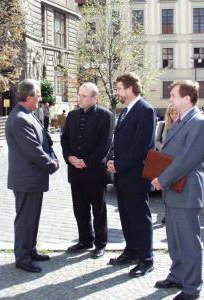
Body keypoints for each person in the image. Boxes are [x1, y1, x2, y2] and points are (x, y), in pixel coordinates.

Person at [152, 80, 204, 300]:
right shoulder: (183, 120)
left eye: (172, 95)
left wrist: (161, 179)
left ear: (186, 98)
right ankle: (178, 275)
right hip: (174, 188)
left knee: (189, 240)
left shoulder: (198, 122)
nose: (169, 99)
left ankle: (192, 287)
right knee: (174, 238)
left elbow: (186, 159)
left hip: (186, 189)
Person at [5, 79, 59, 273]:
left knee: (32, 218)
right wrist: (52, 164)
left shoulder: (28, 114)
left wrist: (52, 154)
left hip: (32, 179)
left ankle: (30, 249)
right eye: (37, 95)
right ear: (28, 98)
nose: (40, 99)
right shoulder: (19, 118)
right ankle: (22, 257)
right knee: (25, 219)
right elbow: (33, 150)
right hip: (26, 179)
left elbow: (44, 139)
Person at [107, 72, 156, 278]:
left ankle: (146, 259)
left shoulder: (145, 110)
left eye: (119, 88)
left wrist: (118, 164)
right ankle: (131, 251)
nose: (117, 92)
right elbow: (119, 140)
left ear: (129, 89)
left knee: (140, 218)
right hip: (122, 175)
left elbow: (140, 147)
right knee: (127, 217)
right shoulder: (125, 110)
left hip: (136, 175)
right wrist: (111, 159)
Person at [61, 82, 113, 259]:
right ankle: (85, 240)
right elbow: (64, 139)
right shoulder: (72, 115)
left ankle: (100, 243)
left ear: (94, 98)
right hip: (75, 171)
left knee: (98, 210)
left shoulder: (105, 115)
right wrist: (69, 157)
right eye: (79, 94)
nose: (79, 98)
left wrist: (87, 162)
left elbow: (105, 145)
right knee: (80, 209)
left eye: (84, 96)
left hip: (95, 172)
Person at [155, 104, 180, 224]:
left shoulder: (184, 125)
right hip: (164, 161)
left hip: (178, 163)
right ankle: (166, 213)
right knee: (165, 189)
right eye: (172, 113)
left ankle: (175, 214)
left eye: (176, 113)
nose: (174, 115)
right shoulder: (163, 125)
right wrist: (164, 149)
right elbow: (157, 141)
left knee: (178, 188)